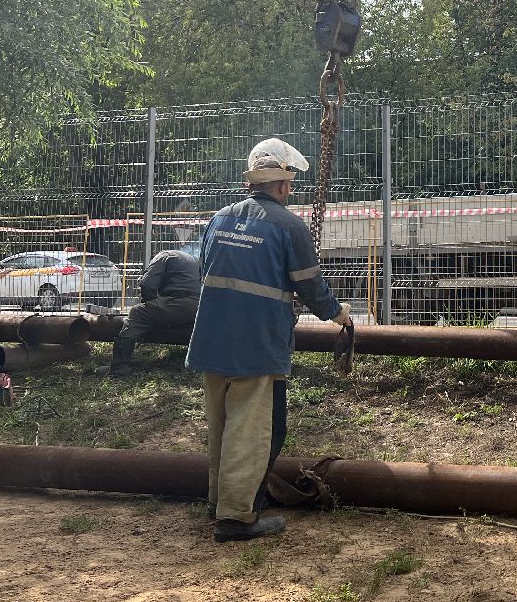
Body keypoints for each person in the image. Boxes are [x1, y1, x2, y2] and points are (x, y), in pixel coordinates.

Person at [186, 138, 353, 544]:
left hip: (211, 338)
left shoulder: (219, 219)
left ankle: (218, 501)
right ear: (281, 184)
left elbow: (207, 271)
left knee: (220, 426)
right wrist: (339, 314)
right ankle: (236, 518)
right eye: (289, 183)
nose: (290, 190)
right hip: (256, 344)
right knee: (249, 432)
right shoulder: (289, 226)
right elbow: (309, 286)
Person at [106, 248, 200, 377]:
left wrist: (149, 304)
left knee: (137, 312)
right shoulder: (190, 259)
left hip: (178, 303)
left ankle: (119, 366)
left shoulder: (162, 256)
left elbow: (147, 285)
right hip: (197, 306)